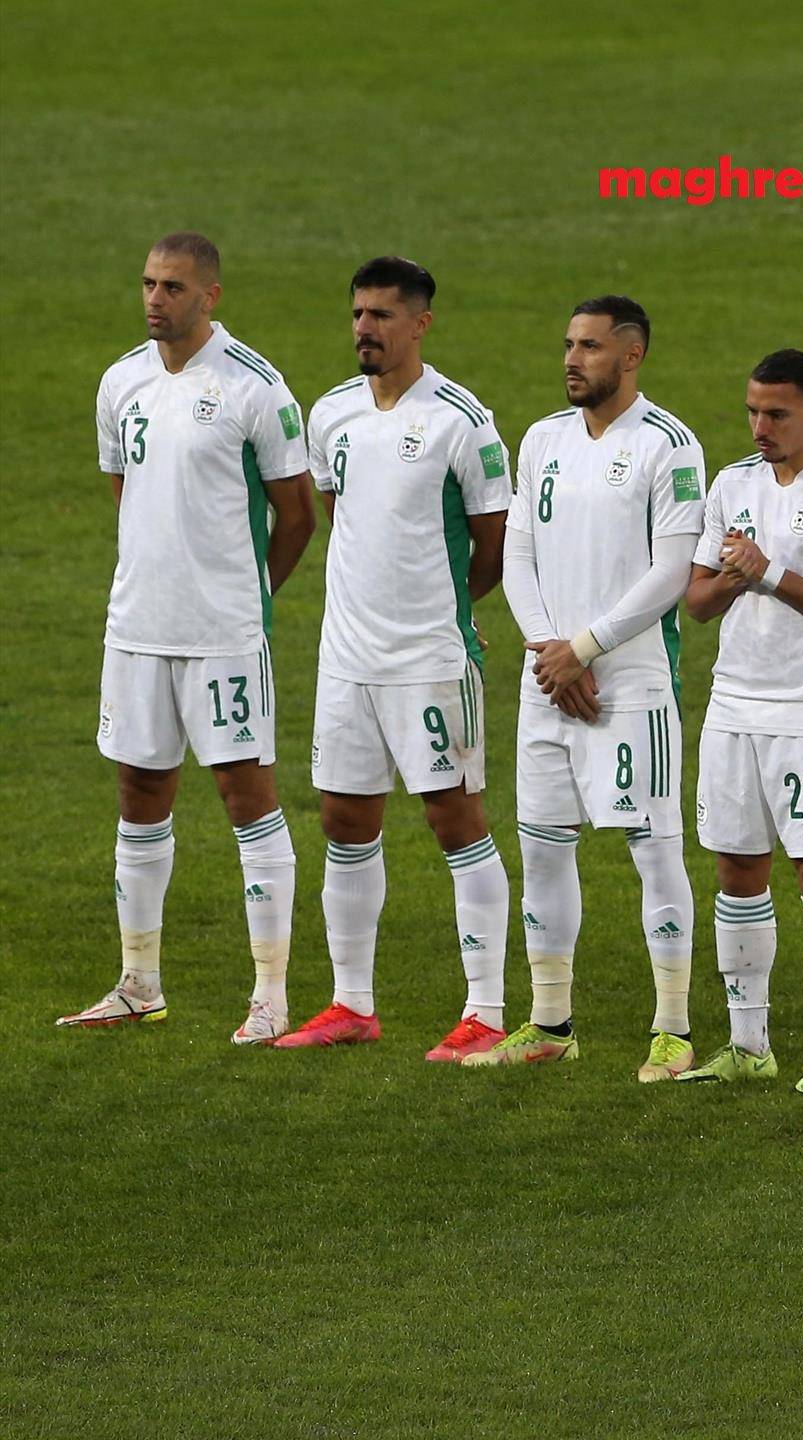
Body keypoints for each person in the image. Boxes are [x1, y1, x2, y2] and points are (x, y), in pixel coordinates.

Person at [64, 232, 315, 1044]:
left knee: (248, 798)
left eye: (171, 287)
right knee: (140, 794)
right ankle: (139, 982)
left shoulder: (256, 388)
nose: (153, 300)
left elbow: (298, 512)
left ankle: (270, 995)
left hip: (223, 636)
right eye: (146, 283)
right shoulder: (121, 382)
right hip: (136, 627)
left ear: (210, 295)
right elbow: (126, 488)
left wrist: (247, 595)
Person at [275, 256, 514, 1059]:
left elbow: (492, 548)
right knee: (345, 822)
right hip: (347, 658)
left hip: (429, 659)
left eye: (381, 316)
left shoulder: (462, 419)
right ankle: (351, 1004)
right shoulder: (333, 412)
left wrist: (439, 611)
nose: (364, 331)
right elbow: (343, 516)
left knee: (456, 820)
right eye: (357, 316)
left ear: (420, 324)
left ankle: (485, 1011)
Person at [470, 296, 706, 1078]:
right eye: (569, 344)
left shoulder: (667, 446)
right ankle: (549, 1022)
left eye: (591, 347)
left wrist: (585, 648)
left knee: (653, 849)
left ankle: (672, 1028)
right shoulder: (541, 439)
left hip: (629, 688)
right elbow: (518, 554)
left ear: (631, 356)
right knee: (541, 848)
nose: (572, 359)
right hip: (550, 682)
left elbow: (671, 572)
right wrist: (550, 653)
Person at [676, 349, 803, 1092]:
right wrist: (733, 581)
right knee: (737, 868)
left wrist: (768, 573)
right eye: (752, 412)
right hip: (733, 704)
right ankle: (748, 1042)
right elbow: (695, 604)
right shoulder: (732, 483)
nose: (760, 427)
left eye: (776, 414)